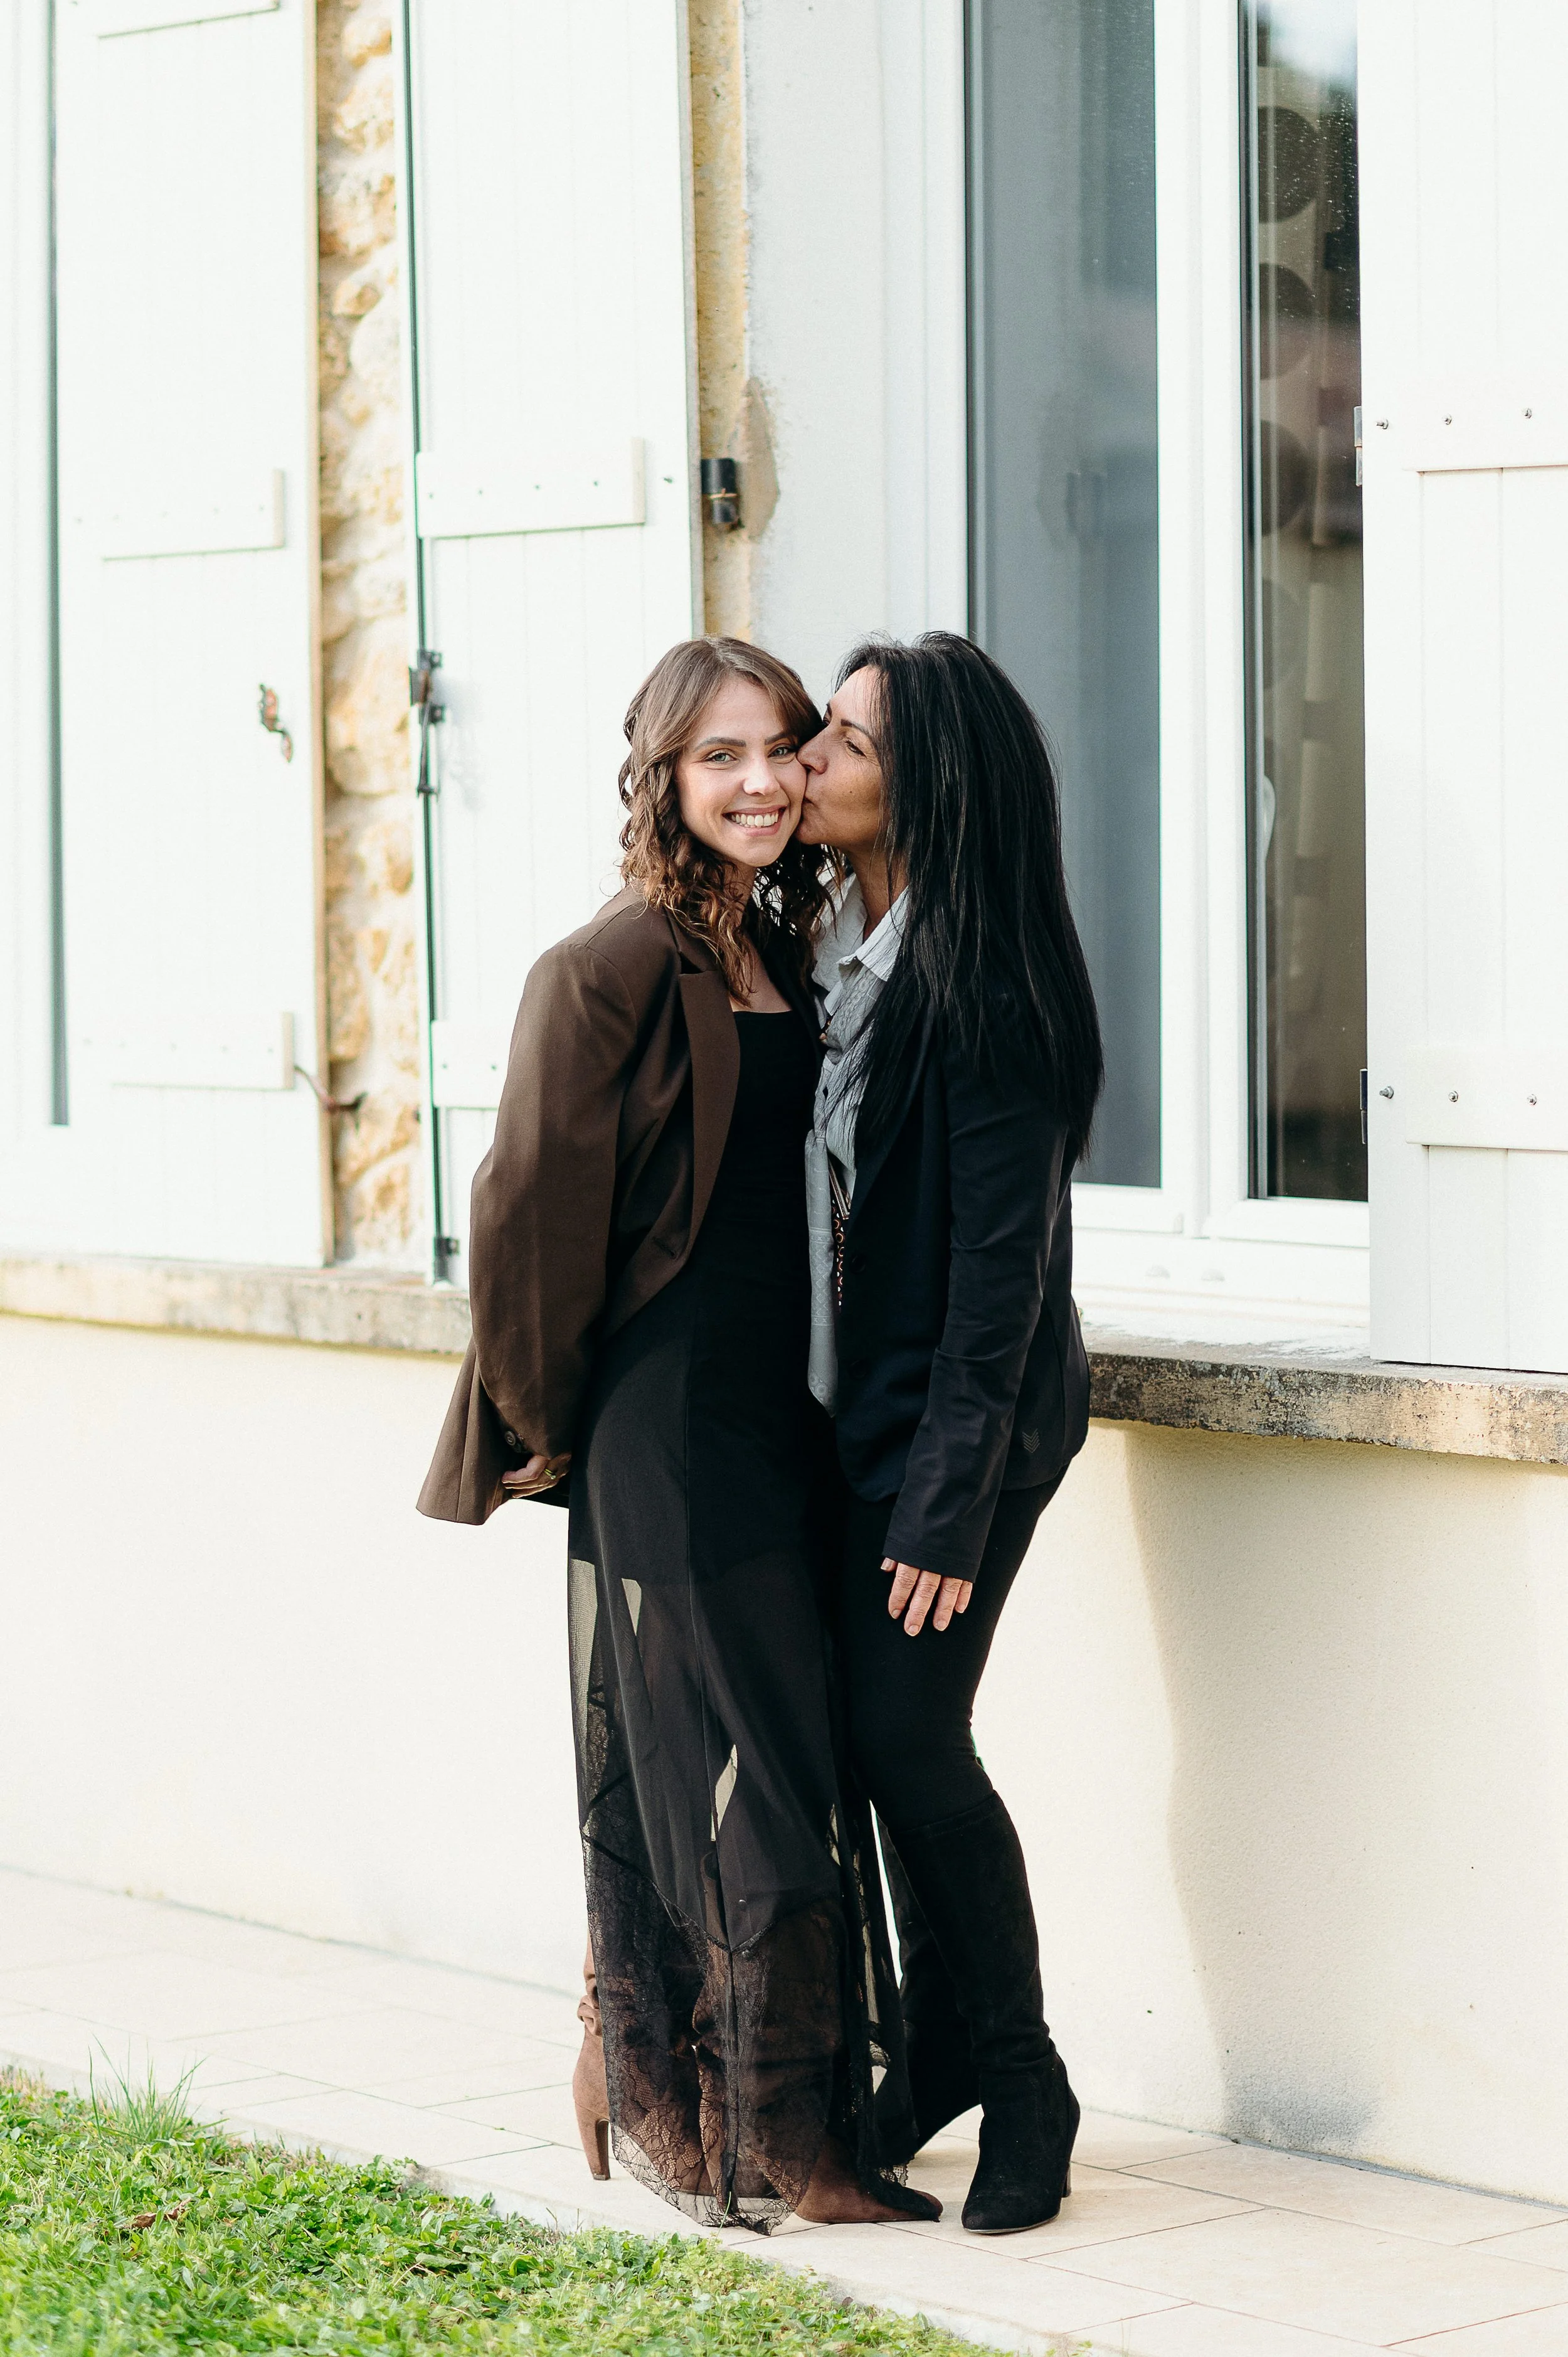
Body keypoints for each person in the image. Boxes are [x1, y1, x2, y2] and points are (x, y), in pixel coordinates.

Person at [417, 636, 937, 2234]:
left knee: (727, 1764)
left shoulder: (776, 940)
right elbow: (516, 1221)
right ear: (662, 775)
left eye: (784, 747)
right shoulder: (615, 961)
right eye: (721, 756)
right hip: (667, 1426)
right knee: (753, 1774)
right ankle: (776, 2142)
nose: (764, 779)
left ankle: (628, 2050)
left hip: (772, 1418)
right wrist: (543, 1428)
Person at [794, 632, 1104, 2235]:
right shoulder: (840, 949)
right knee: (867, 1742)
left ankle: (1024, 2077)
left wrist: (942, 1509)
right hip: (868, 1424)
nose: (809, 760)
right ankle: (928, 2055)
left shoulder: (987, 993)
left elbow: (1001, 1288)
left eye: (843, 741)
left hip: (963, 1439)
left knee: (915, 1741)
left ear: (928, 785)